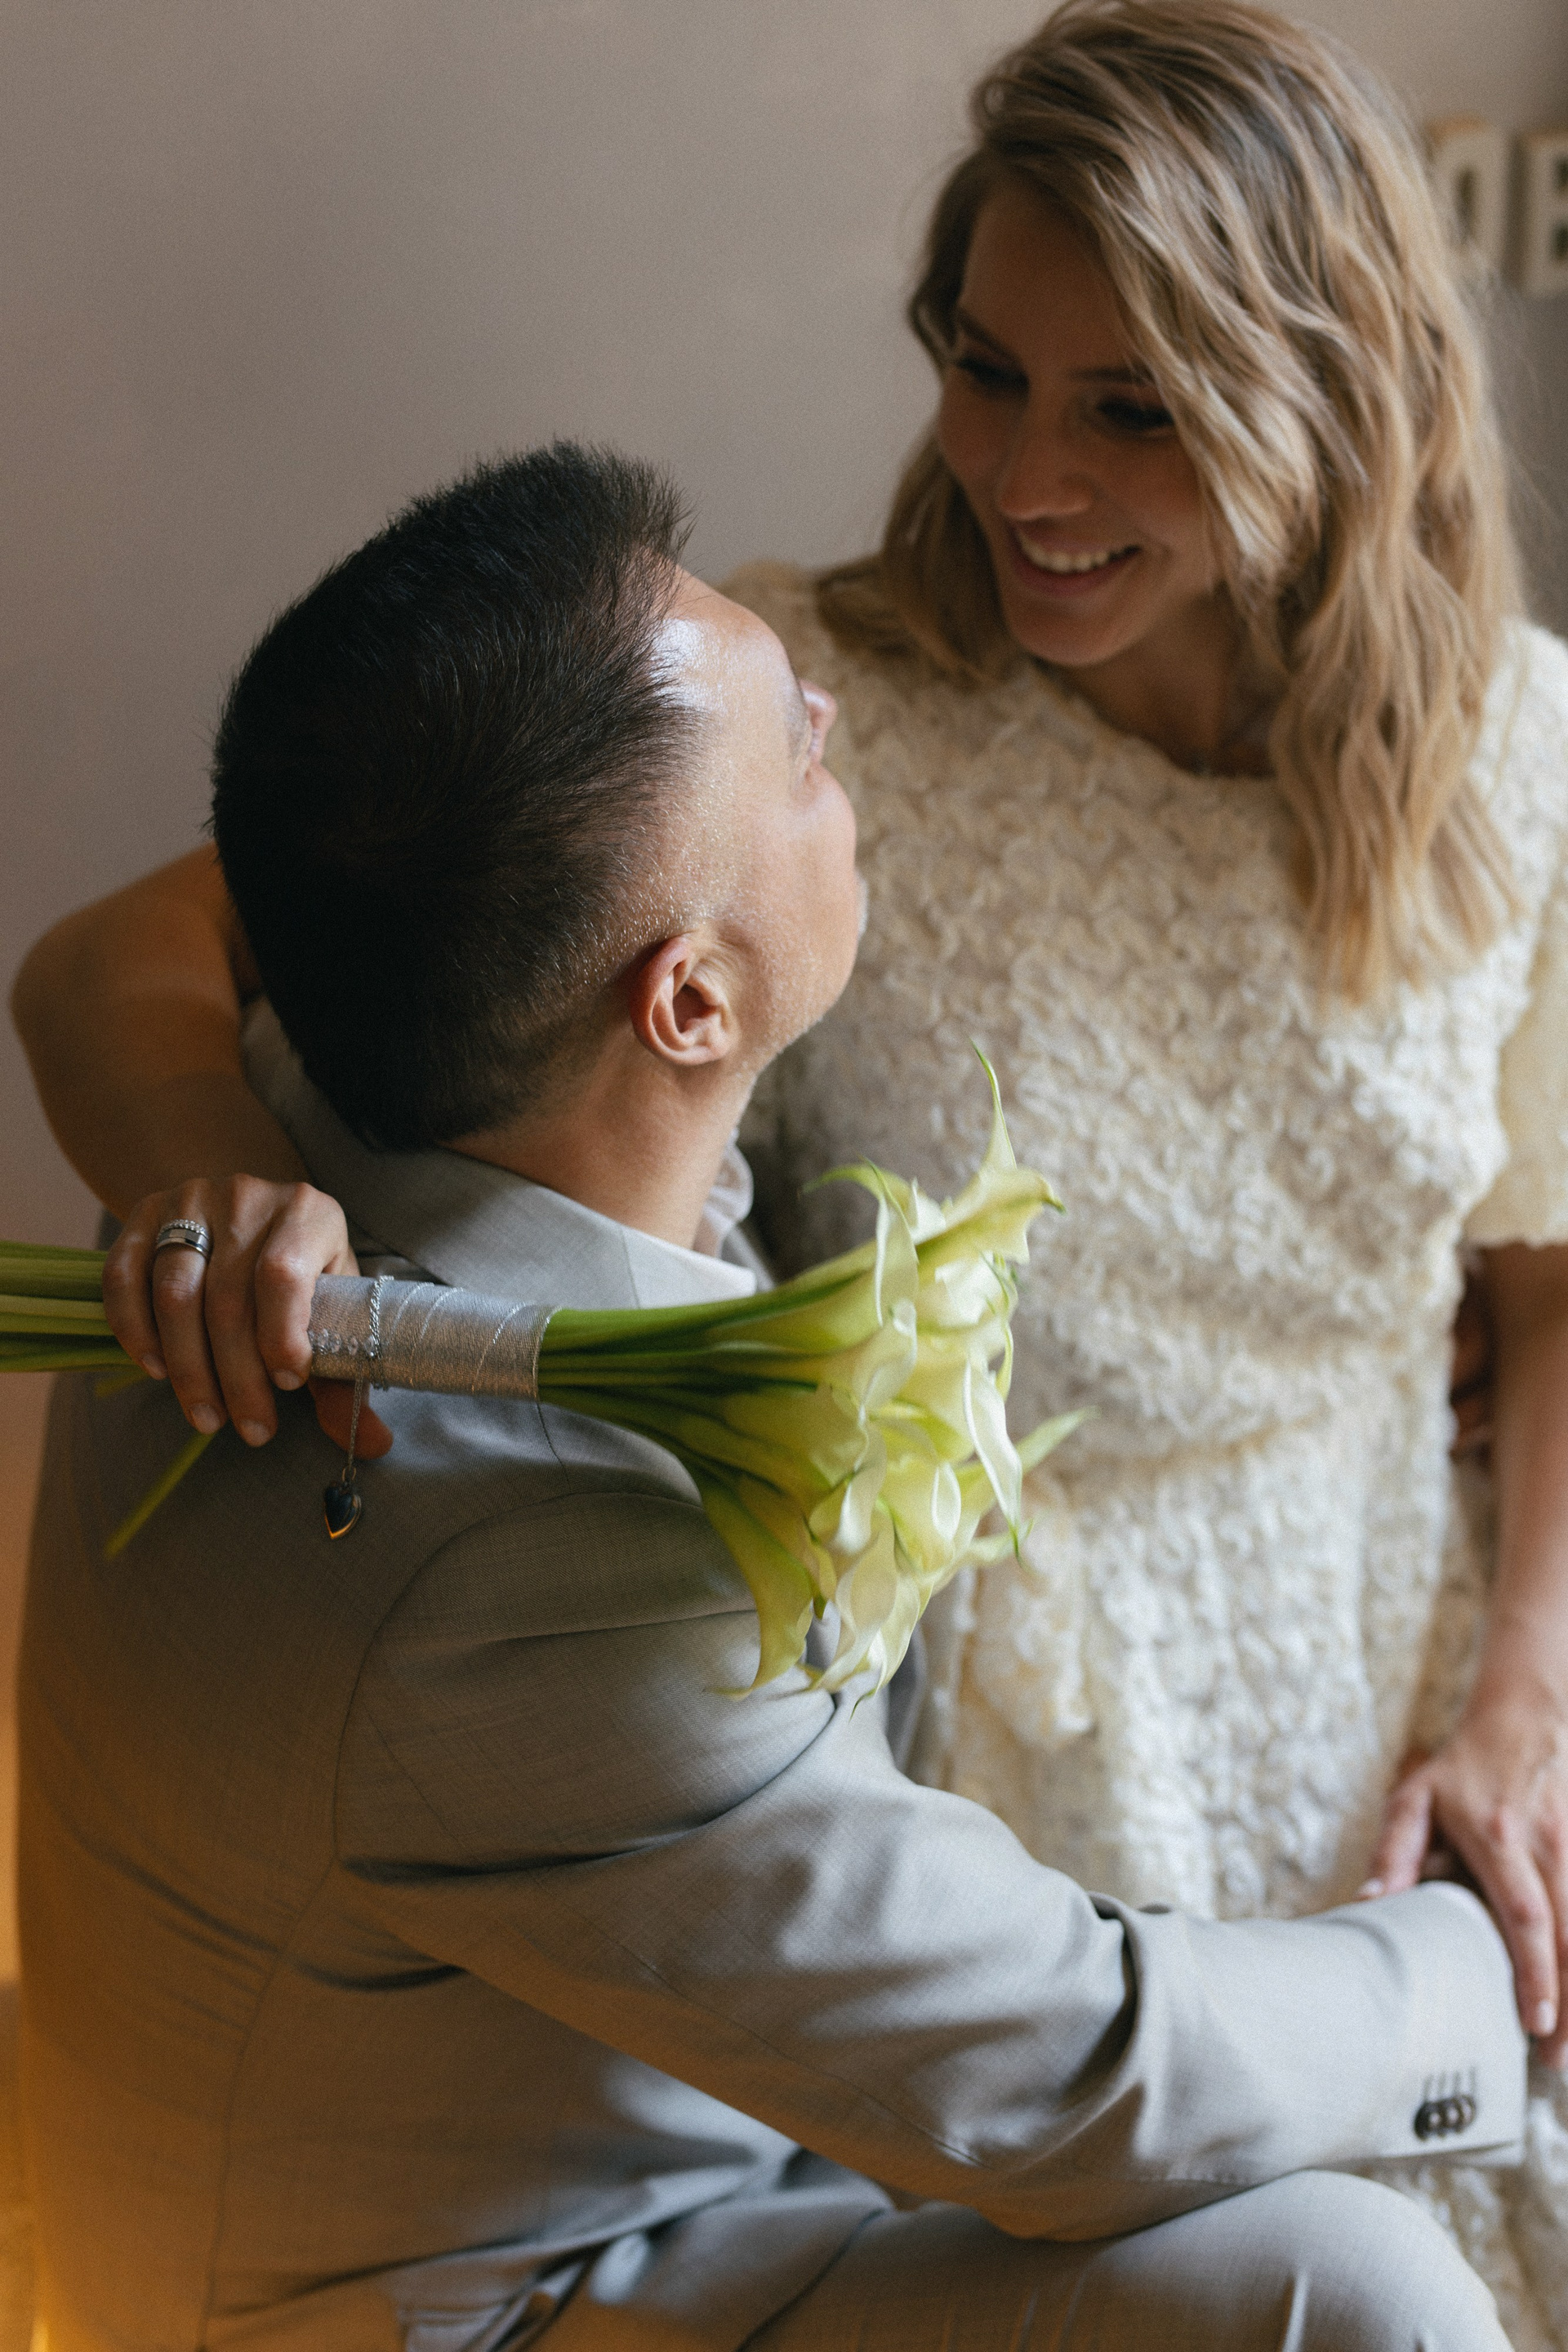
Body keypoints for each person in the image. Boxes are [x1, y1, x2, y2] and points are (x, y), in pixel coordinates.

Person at [12, 0, 1568, 2333]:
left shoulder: (1513, 748)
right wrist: (219, 1197)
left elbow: (1539, 1265)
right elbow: (195, 937)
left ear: (1319, 398)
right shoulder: (688, 777)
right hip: (963, 1720)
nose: (1020, 473)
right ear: (693, 996)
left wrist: (1523, 1705)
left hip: (1375, 1631)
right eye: (983, 366)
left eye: (1132, 405)